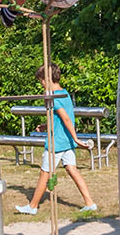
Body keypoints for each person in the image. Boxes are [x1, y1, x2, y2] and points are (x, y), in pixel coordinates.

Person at [14, 62, 98, 216]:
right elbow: (59, 119)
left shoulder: (54, 98)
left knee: (44, 173)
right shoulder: (64, 93)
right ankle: (90, 203)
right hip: (65, 140)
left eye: (41, 81)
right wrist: (45, 126)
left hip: (57, 143)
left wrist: (77, 139)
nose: (41, 84)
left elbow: (66, 119)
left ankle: (32, 206)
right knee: (71, 169)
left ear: (46, 79)